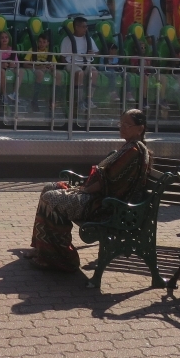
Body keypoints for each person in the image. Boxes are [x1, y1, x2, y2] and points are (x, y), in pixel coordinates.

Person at [27, 108, 152, 271]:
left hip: (105, 206)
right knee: (49, 188)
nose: (121, 127)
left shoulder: (134, 152)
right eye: (120, 123)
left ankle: (61, 258)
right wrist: (81, 189)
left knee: (51, 198)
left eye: (126, 124)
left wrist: (83, 191)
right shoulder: (128, 147)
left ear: (140, 128)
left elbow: (107, 184)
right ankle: (42, 249)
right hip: (99, 197)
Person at [59, 17, 99, 111]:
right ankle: (79, 101)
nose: (86, 29)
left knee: (94, 72)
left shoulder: (89, 39)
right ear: (76, 27)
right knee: (79, 73)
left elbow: (97, 52)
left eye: (86, 26)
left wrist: (92, 53)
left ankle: (89, 99)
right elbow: (62, 57)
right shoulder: (67, 40)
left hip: (86, 63)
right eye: (84, 26)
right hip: (72, 63)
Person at [24, 32, 57, 113]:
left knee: (58, 75)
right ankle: (34, 100)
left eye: (44, 42)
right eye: (40, 42)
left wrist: (52, 67)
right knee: (40, 74)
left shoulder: (49, 52)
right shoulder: (32, 50)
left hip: (46, 69)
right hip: (35, 68)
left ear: (48, 43)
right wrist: (38, 67)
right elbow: (25, 64)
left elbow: (55, 64)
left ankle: (53, 100)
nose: (42, 44)